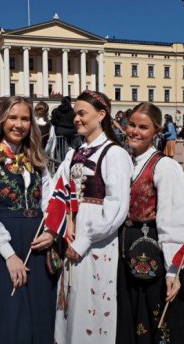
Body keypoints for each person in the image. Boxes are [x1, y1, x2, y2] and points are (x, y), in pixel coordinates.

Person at [0, 96, 55, 344]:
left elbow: (50, 203)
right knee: (9, 317)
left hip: (38, 245)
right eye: (13, 118)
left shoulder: (38, 163)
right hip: (4, 249)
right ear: (1, 121)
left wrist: (50, 231)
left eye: (25, 119)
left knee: (40, 314)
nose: (19, 124)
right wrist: (9, 255)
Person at [51, 90, 133, 344]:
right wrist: (62, 226)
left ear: (101, 114)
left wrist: (84, 241)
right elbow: (57, 189)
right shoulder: (76, 152)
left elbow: (116, 207)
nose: (76, 118)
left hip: (96, 242)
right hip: (73, 235)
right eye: (75, 113)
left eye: (82, 113)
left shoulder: (114, 154)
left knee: (92, 302)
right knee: (72, 302)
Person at [117, 102, 184, 343]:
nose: (134, 131)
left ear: (156, 132)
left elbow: (173, 221)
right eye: (131, 125)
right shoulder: (126, 162)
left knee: (159, 320)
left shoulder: (165, 166)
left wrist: (173, 270)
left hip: (154, 251)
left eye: (143, 127)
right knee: (133, 315)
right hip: (129, 250)